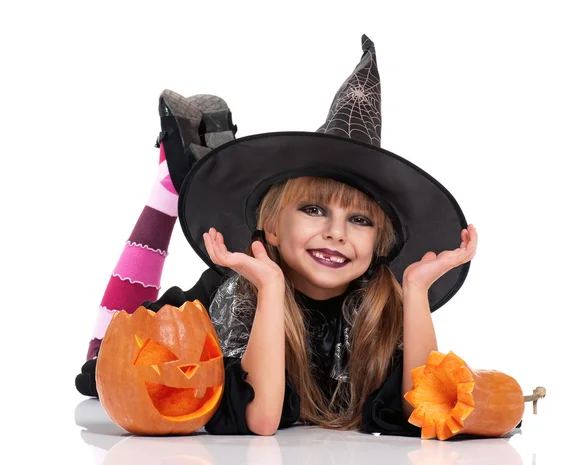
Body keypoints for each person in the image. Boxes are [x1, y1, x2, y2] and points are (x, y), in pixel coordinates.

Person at [76, 34, 478, 437]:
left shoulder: (377, 307)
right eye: (314, 210)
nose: (336, 233)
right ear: (271, 226)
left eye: (359, 221)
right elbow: (261, 420)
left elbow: (424, 411)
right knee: (99, 367)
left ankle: (202, 167)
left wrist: (416, 290)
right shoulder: (236, 292)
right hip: (183, 331)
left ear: (379, 246)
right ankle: (169, 184)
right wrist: (269, 286)